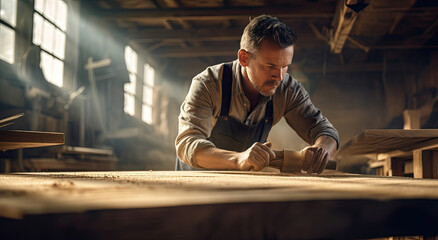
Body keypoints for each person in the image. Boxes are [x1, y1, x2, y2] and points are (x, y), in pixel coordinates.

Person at [175, 15, 339, 174]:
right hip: (195, 180)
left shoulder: (288, 89)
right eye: (270, 66)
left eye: (285, 66)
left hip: (241, 183)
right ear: (244, 58)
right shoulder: (208, 84)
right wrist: (239, 159)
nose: (279, 76)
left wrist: (322, 150)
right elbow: (187, 144)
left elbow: (324, 130)